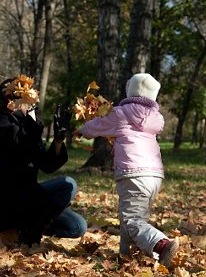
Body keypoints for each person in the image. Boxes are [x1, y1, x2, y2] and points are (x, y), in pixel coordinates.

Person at [73, 73, 179, 268]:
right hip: (154, 176)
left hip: (133, 173)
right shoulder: (154, 118)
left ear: (131, 91)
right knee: (132, 217)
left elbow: (97, 126)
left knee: (132, 220)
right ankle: (127, 255)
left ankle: (161, 244)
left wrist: (82, 130)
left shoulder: (120, 113)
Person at [0, 75, 87, 248]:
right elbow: (21, 143)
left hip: (27, 199)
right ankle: (29, 238)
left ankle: (22, 230)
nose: (33, 101)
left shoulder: (27, 125)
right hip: (5, 202)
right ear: (11, 100)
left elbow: (47, 165)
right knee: (68, 184)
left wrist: (59, 140)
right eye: (27, 97)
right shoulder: (1, 124)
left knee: (77, 227)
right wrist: (30, 120)